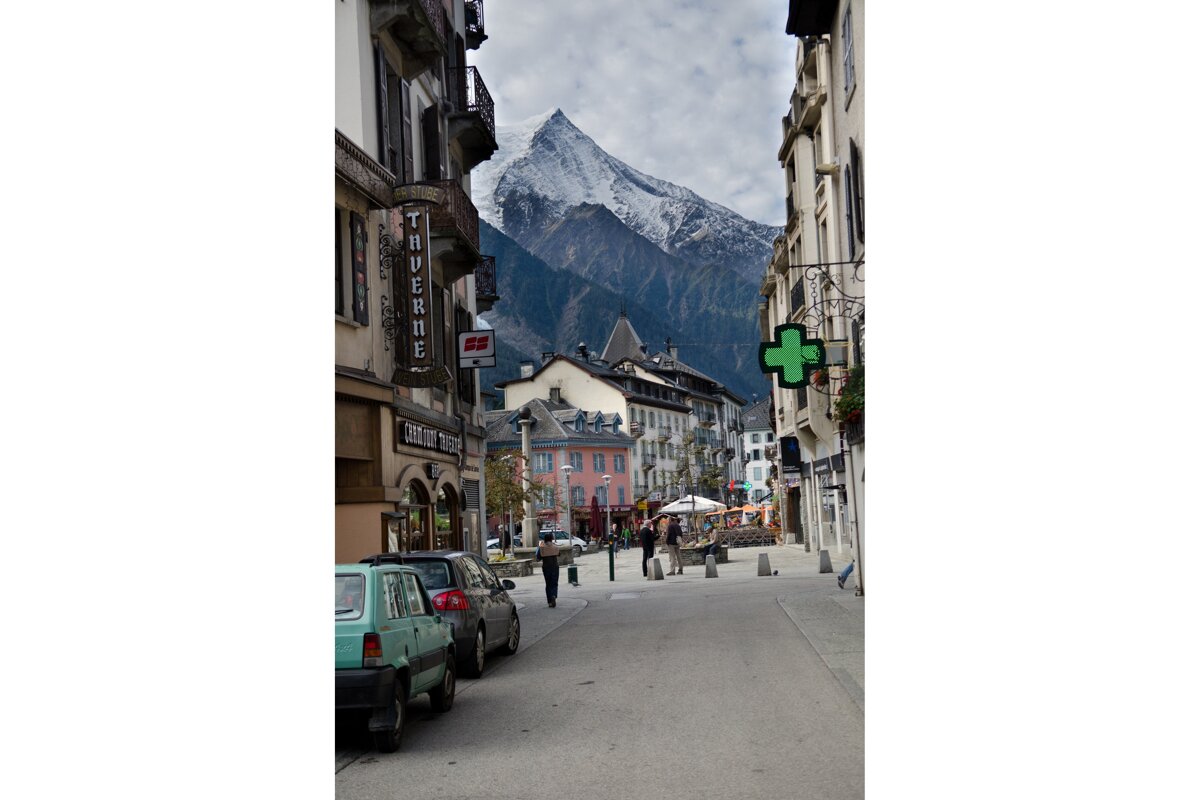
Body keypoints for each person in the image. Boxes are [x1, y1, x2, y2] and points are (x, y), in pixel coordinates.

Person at [535, 532, 561, 607]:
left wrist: (539, 547)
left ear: (545, 539)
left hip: (546, 567)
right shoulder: (555, 546)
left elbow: (538, 558)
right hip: (555, 567)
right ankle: (554, 595)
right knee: (554, 583)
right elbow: (559, 554)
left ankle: (549, 601)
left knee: (548, 584)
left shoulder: (542, 547)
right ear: (551, 539)